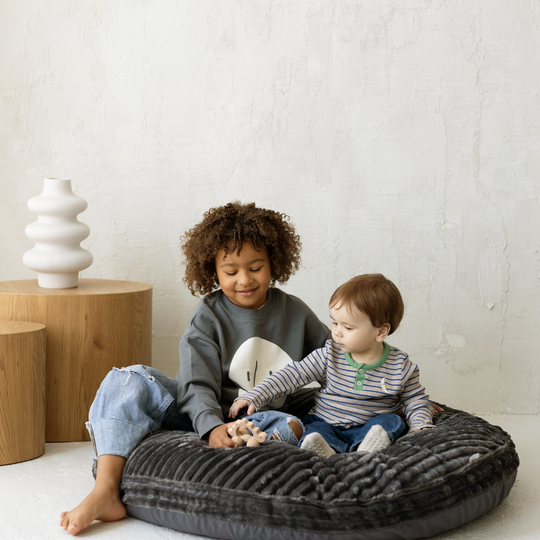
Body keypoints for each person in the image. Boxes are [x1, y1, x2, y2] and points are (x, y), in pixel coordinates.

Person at [60, 202, 330, 536]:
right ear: (212, 271)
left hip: (262, 418)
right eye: (230, 272)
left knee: (293, 424)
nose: (244, 279)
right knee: (126, 378)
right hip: (199, 411)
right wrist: (210, 426)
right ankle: (105, 490)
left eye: (256, 267)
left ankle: (261, 443)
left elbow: (334, 359)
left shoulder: (296, 313)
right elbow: (195, 383)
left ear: (274, 261)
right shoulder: (208, 314)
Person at [229, 273, 436, 458]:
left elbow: (416, 400)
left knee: (392, 422)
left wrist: (420, 425)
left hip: (369, 427)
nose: (336, 332)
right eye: (334, 323)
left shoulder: (400, 366)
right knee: (314, 429)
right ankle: (324, 448)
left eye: (347, 327)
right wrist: (255, 395)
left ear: (380, 332)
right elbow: (291, 375)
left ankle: (366, 447)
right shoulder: (329, 354)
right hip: (327, 422)